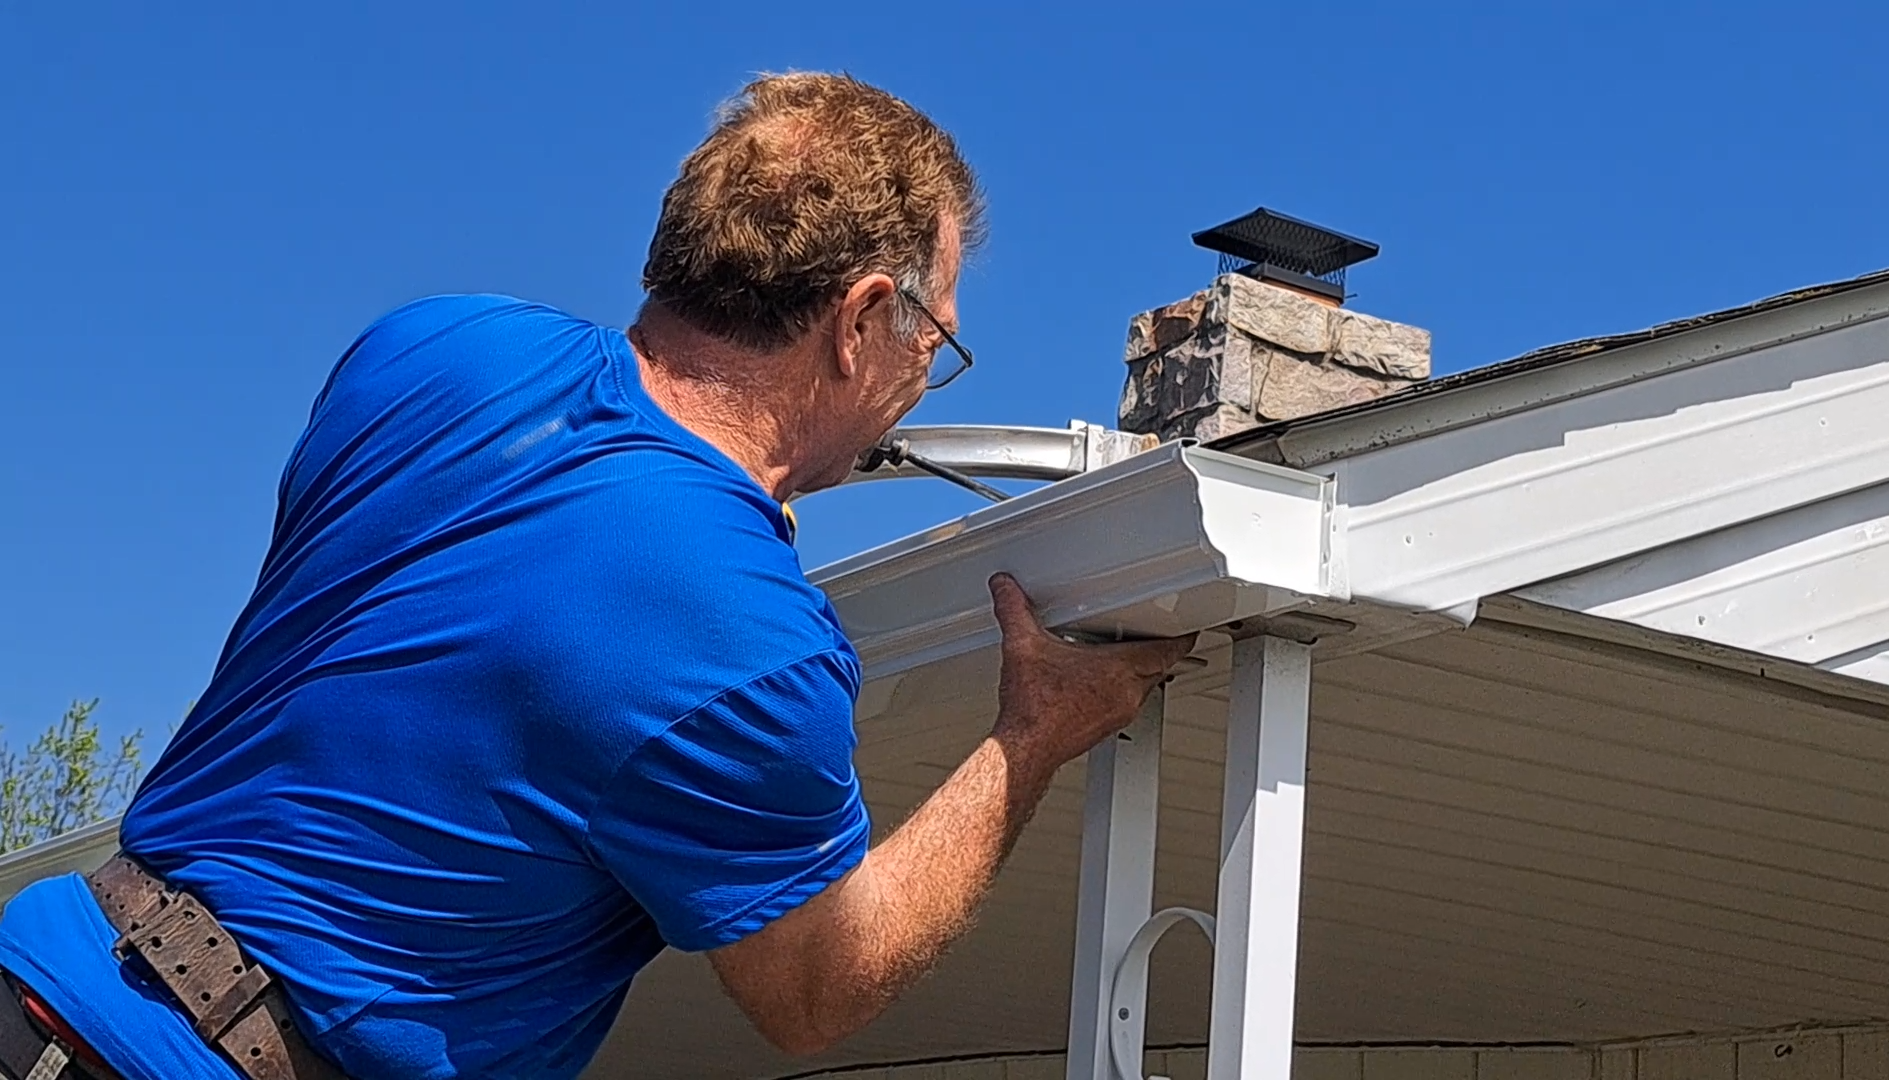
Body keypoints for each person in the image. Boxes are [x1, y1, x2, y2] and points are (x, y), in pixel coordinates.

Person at [0, 72, 1194, 1080]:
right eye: (935, 339)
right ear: (860, 318)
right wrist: (1030, 736)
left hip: (42, 984)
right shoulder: (748, 639)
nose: (926, 373)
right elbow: (817, 989)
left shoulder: (431, 350)